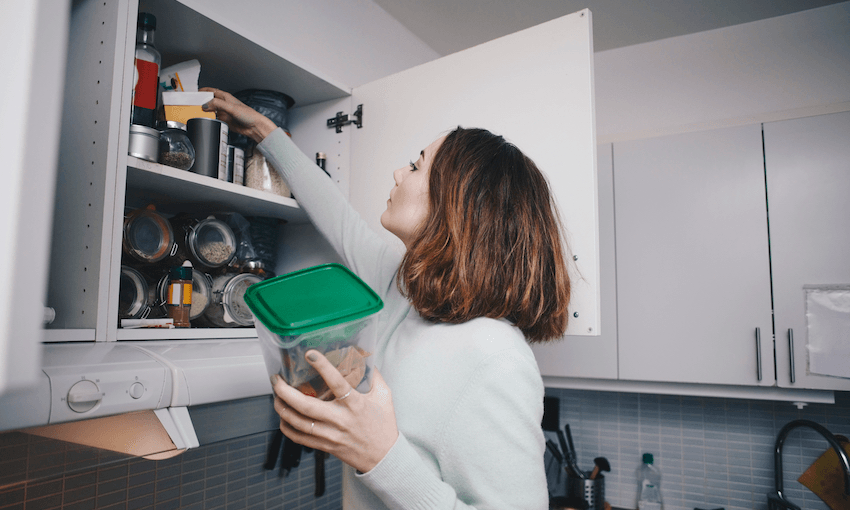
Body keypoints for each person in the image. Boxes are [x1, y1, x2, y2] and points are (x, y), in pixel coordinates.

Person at [202, 88, 572, 509]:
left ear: (459, 204)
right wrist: (264, 132)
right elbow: (337, 215)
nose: (398, 173)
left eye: (416, 166)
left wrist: (380, 458)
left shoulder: (496, 356)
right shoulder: (403, 288)